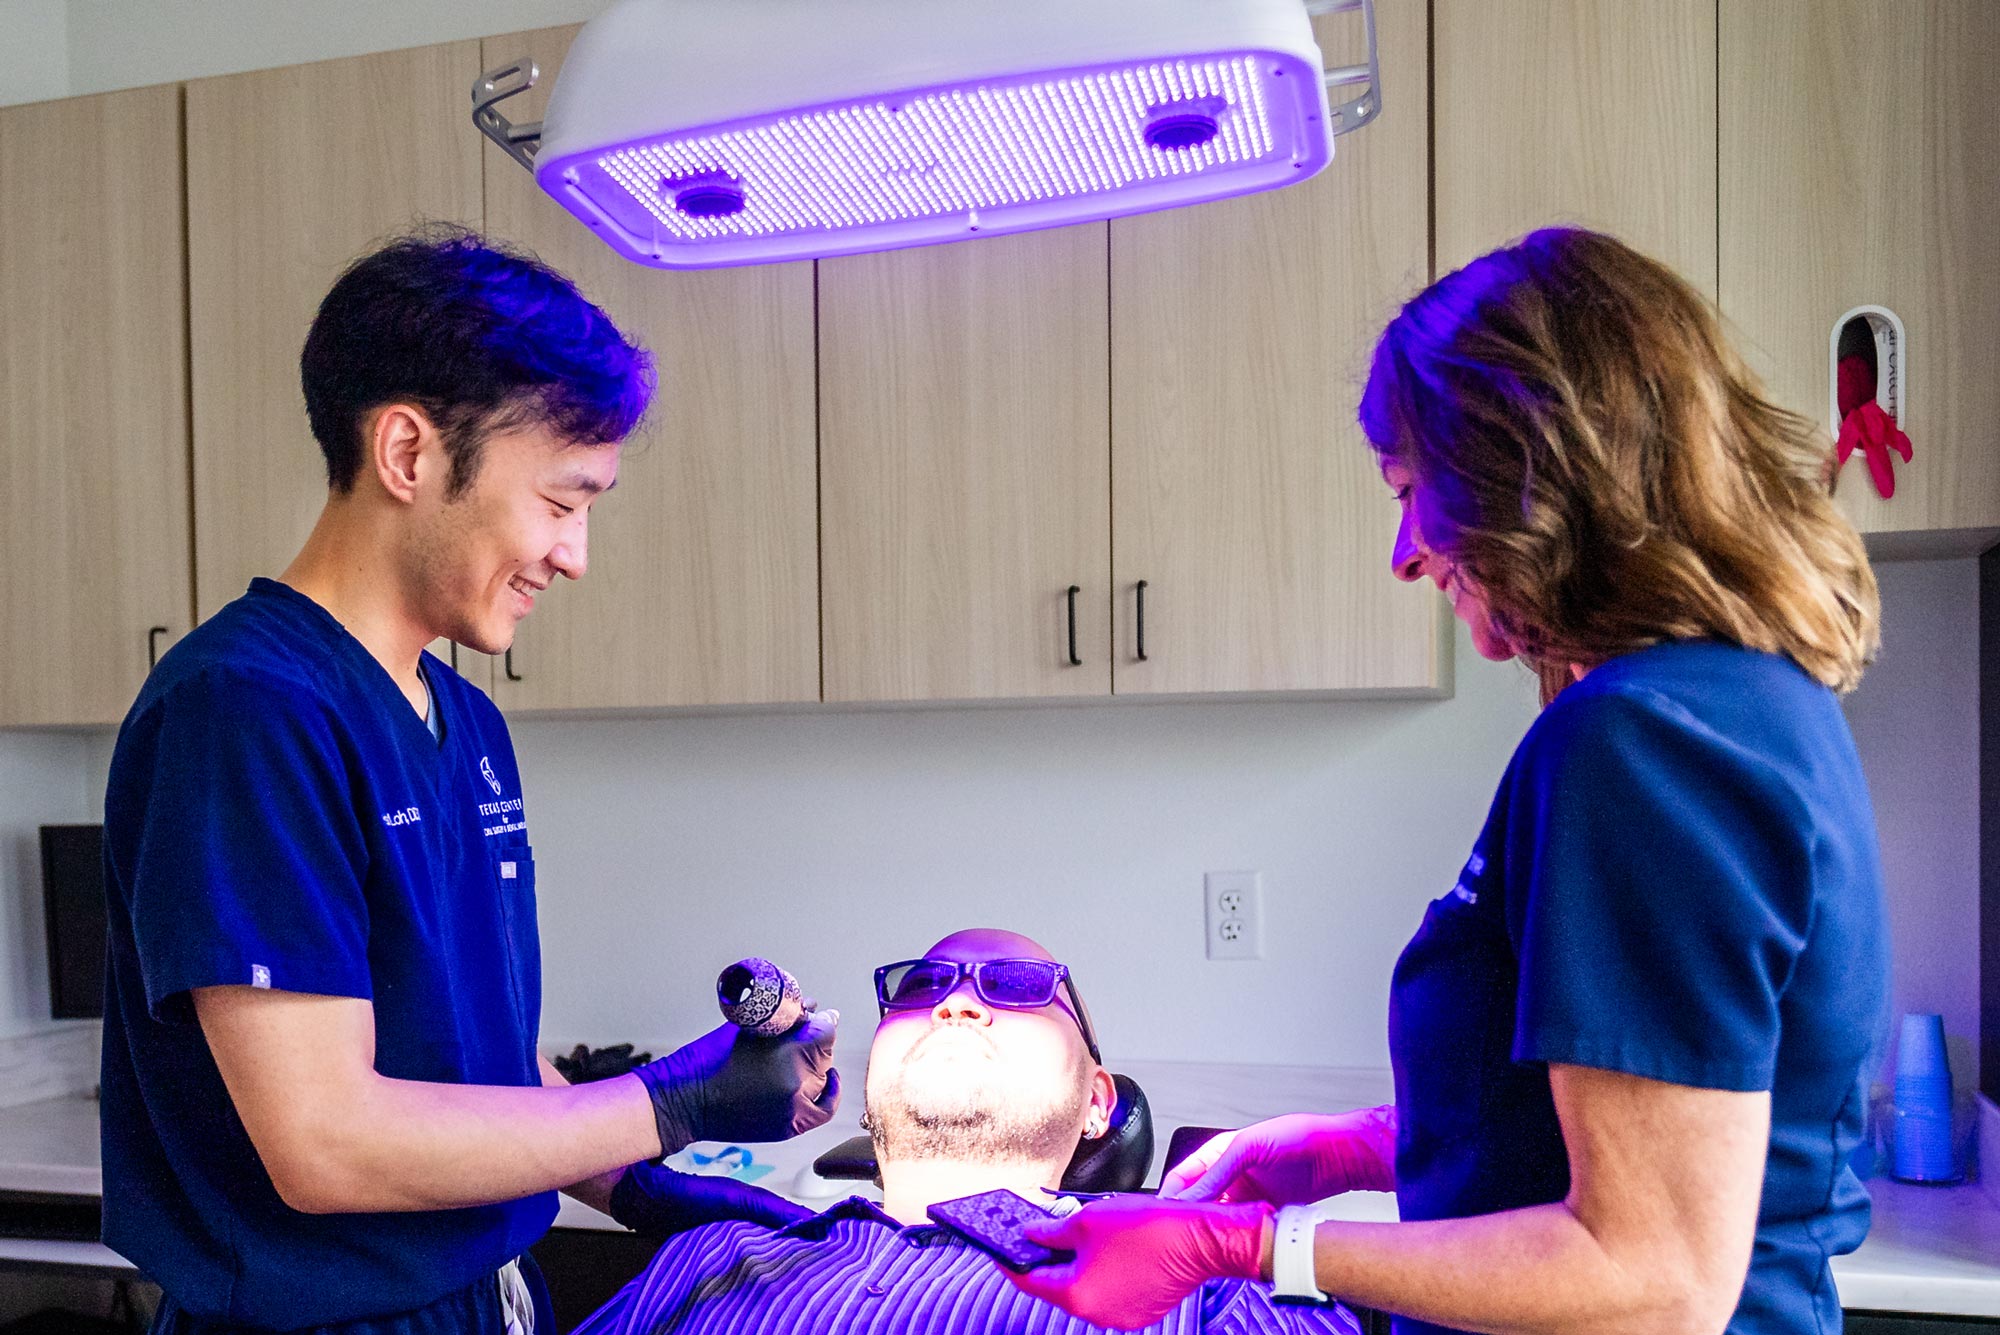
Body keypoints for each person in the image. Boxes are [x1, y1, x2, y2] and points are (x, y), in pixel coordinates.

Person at [1009, 228, 1890, 1335]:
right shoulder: (1733, 707)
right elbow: (1618, 1127)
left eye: (1410, 487)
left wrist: (1245, 1245)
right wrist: (1354, 1145)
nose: (1404, 552)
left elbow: (1655, 1280)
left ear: (1522, 475)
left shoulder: (1644, 743)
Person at [101, 227, 840, 1335]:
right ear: (409, 453)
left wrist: (640, 1183)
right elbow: (324, 1142)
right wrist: (667, 1105)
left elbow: (468, 1060)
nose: (576, 553)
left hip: (488, 1299)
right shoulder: (247, 708)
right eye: (559, 501)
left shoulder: (468, 721)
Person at [572, 928, 1362, 1335]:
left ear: (1097, 1100)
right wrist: (655, 1108)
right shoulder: (713, 1256)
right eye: (922, 986)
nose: (953, 1002)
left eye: (1018, 987)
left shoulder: (1207, 1295)